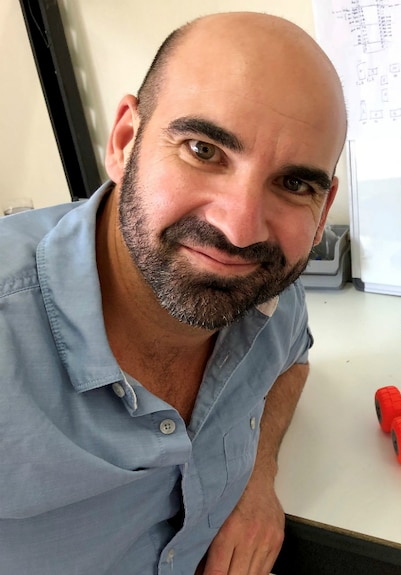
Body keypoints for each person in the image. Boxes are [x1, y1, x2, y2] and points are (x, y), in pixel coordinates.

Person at [0, 11, 346, 575]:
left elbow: (292, 361)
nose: (239, 231)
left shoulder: (269, 295)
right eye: (203, 150)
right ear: (124, 141)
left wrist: (258, 478)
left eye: (293, 183)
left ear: (322, 206)